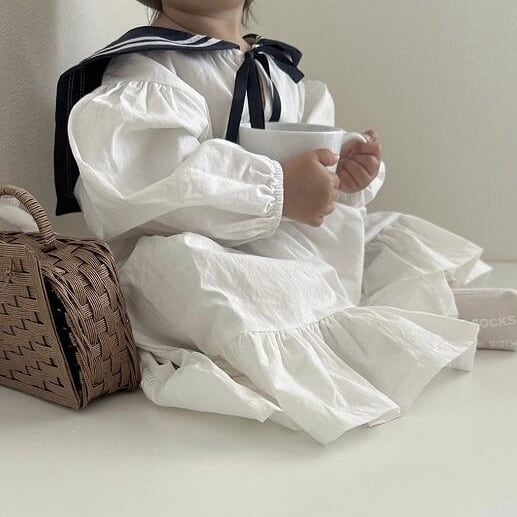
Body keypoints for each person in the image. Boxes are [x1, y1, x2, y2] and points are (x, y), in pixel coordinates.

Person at [56, 0, 491, 443]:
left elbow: (307, 149)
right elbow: (150, 180)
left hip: (280, 239)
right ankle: (362, 337)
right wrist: (278, 187)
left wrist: (339, 172)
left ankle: (424, 312)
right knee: (192, 269)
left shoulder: (277, 71)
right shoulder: (150, 70)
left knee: (378, 233)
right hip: (199, 246)